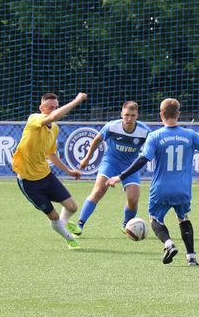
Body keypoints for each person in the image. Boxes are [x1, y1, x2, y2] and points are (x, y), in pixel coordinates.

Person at [107, 98, 199, 266]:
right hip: (182, 189)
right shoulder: (190, 135)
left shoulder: (155, 136)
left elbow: (142, 160)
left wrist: (120, 176)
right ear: (178, 114)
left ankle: (168, 243)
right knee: (183, 218)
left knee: (155, 219)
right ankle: (191, 257)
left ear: (161, 114)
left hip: (161, 188)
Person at [12, 92, 87, 249]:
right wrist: (76, 101)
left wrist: (68, 171)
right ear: (41, 108)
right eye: (50, 107)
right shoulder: (34, 119)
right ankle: (69, 238)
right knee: (53, 215)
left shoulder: (55, 129)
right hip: (28, 182)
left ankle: (63, 223)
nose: (53, 110)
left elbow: (51, 154)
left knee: (72, 207)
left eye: (56, 107)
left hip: (46, 176)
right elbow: (52, 117)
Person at [76, 101, 151, 235]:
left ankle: (126, 225)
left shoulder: (145, 131)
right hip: (110, 162)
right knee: (98, 191)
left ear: (137, 115)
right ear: (121, 114)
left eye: (132, 115)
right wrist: (87, 158)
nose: (129, 118)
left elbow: (152, 147)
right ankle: (79, 225)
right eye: (126, 115)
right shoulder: (111, 126)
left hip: (130, 166)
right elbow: (97, 139)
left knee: (133, 199)